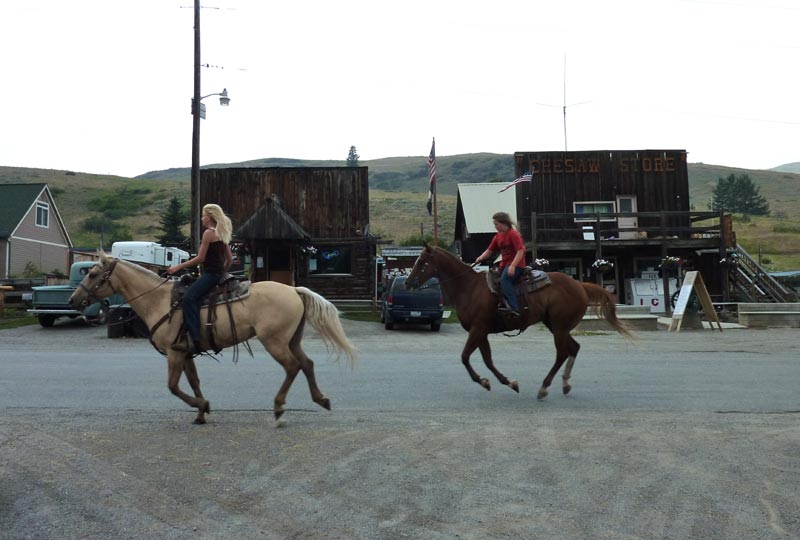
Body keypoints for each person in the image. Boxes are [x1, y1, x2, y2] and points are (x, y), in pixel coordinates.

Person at [167, 203, 234, 353]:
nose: (202, 218)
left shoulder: (209, 233)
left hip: (210, 275)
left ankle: (195, 339)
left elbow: (200, 258)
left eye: (203, 215)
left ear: (209, 217)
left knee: (189, 298)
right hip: (218, 274)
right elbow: (230, 259)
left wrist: (177, 267)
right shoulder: (222, 232)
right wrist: (223, 272)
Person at [474, 211, 526, 317]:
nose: (495, 227)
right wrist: (480, 258)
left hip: (517, 265)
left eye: (496, 224)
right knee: (493, 281)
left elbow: (521, 250)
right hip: (504, 265)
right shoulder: (498, 236)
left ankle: (514, 307)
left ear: (503, 223)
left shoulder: (513, 234)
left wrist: (513, 266)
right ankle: (500, 304)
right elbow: (490, 250)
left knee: (505, 280)